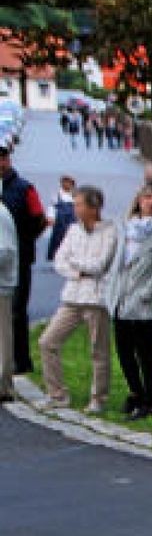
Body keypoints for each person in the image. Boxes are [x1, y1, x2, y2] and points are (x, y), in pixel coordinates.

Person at [37, 186, 117, 413]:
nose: (75, 209)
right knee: (47, 342)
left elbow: (100, 264)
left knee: (98, 350)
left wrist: (77, 263)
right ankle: (57, 394)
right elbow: (60, 261)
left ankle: (99, 398)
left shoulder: (110, 231)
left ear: (94, 208)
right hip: (72, 296)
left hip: (96, 298)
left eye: (79, 204)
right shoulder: (73, 230)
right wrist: (78, 271)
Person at [106, 182, 152, 420]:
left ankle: (151, 400)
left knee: (144, 352)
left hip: (146, 299)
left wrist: (148, 291)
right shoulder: (126, 227)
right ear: (139, 200)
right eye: (148, 198)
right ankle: (136, 392)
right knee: (124, 350)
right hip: (122, 296)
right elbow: (116, 260)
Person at [0, 143, 49, 375]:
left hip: (18, 257)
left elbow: (39, 218)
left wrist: (25, 241)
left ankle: (21, 360)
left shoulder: (23, 188)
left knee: (16, 311)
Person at [0, 202, 16, 403]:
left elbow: (5, 250)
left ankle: (3, 386)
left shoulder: (1, 214)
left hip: (1, 284)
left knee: (2, 336)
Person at [46, 175, 77, 261]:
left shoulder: (76, 196)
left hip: (73, 222)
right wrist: (50, 217)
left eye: (68, 182)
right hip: (60, 222)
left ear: (72, 184)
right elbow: (52, 207)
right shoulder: (57, 195)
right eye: (64, 182)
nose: (65, 184)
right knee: (58, 240)